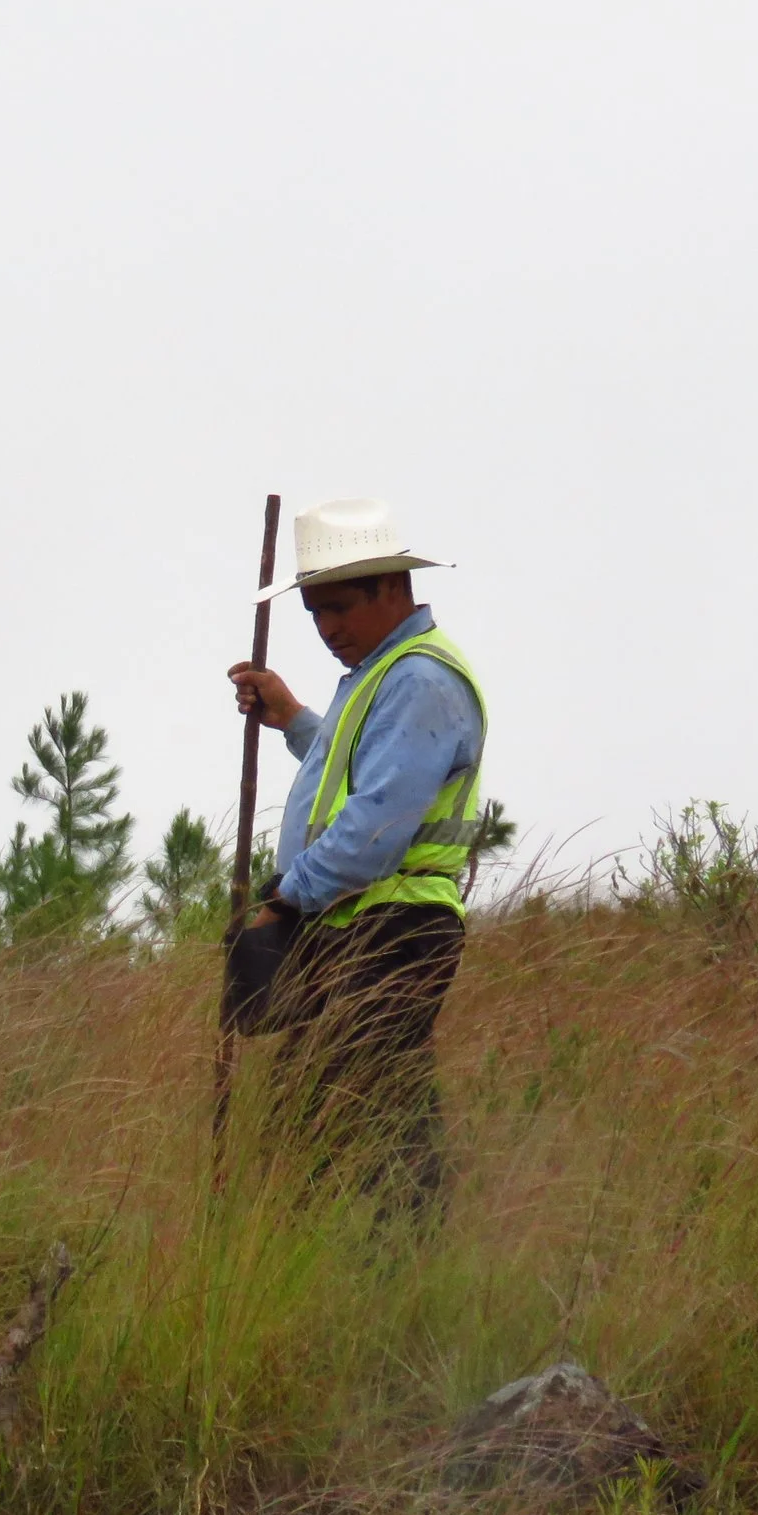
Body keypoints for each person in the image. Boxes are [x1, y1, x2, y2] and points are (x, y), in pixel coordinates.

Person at [225, 499, 486, 1222]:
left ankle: (374, 1273)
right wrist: (296, 720)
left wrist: (285, 897)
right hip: (363, 928)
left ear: (391, 588)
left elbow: (378, 824)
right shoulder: (385, 675)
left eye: (338, 607)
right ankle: (411, 1276)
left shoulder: (419, 679)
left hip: (391, 929)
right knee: (385, 1120)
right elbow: (358, 776)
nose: (327, 628)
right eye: (314, 613)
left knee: (320, 1118)